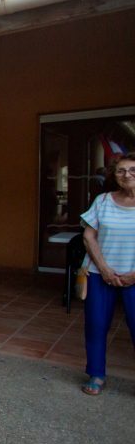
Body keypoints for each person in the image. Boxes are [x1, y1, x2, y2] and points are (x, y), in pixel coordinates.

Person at [78, 152, 135, 395]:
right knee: (96, 325)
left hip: (133, 278)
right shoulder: (102, 201)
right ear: (114, 175)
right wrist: (103, 268)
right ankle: (96, 374)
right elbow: (88, 236)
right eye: (121, 170)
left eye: (132, 170)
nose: (127, 175)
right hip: (101, 275)